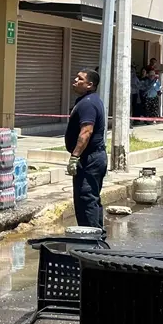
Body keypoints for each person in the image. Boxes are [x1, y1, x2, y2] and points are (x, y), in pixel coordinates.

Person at [65, 69, 108, 230]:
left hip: (89, 159)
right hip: (93, 157)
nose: (75, 80)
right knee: (91, 199)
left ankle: (91, 242)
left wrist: (75, 156)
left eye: (80, 78)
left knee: (86, 200)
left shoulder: (88, 103)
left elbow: (86, 132)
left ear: (90, 84)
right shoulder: (88, 100)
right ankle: (97, 237)